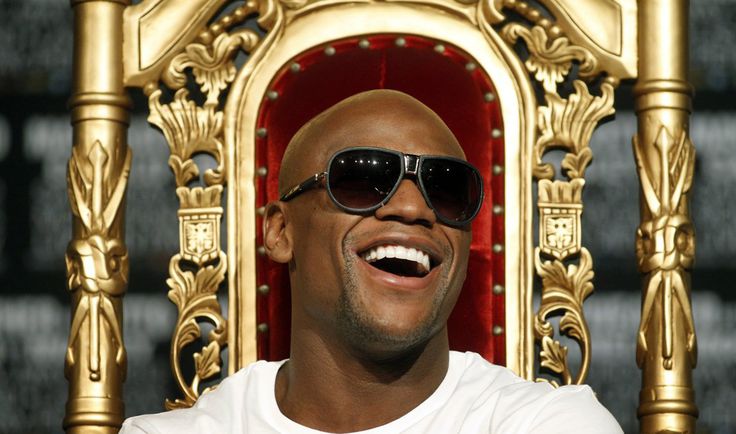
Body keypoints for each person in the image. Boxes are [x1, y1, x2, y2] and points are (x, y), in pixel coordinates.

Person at [121, 90, 622, 433]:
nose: (413, 208)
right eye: (362, 179)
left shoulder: (550, 424)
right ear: (280, 232)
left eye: (446, 189)